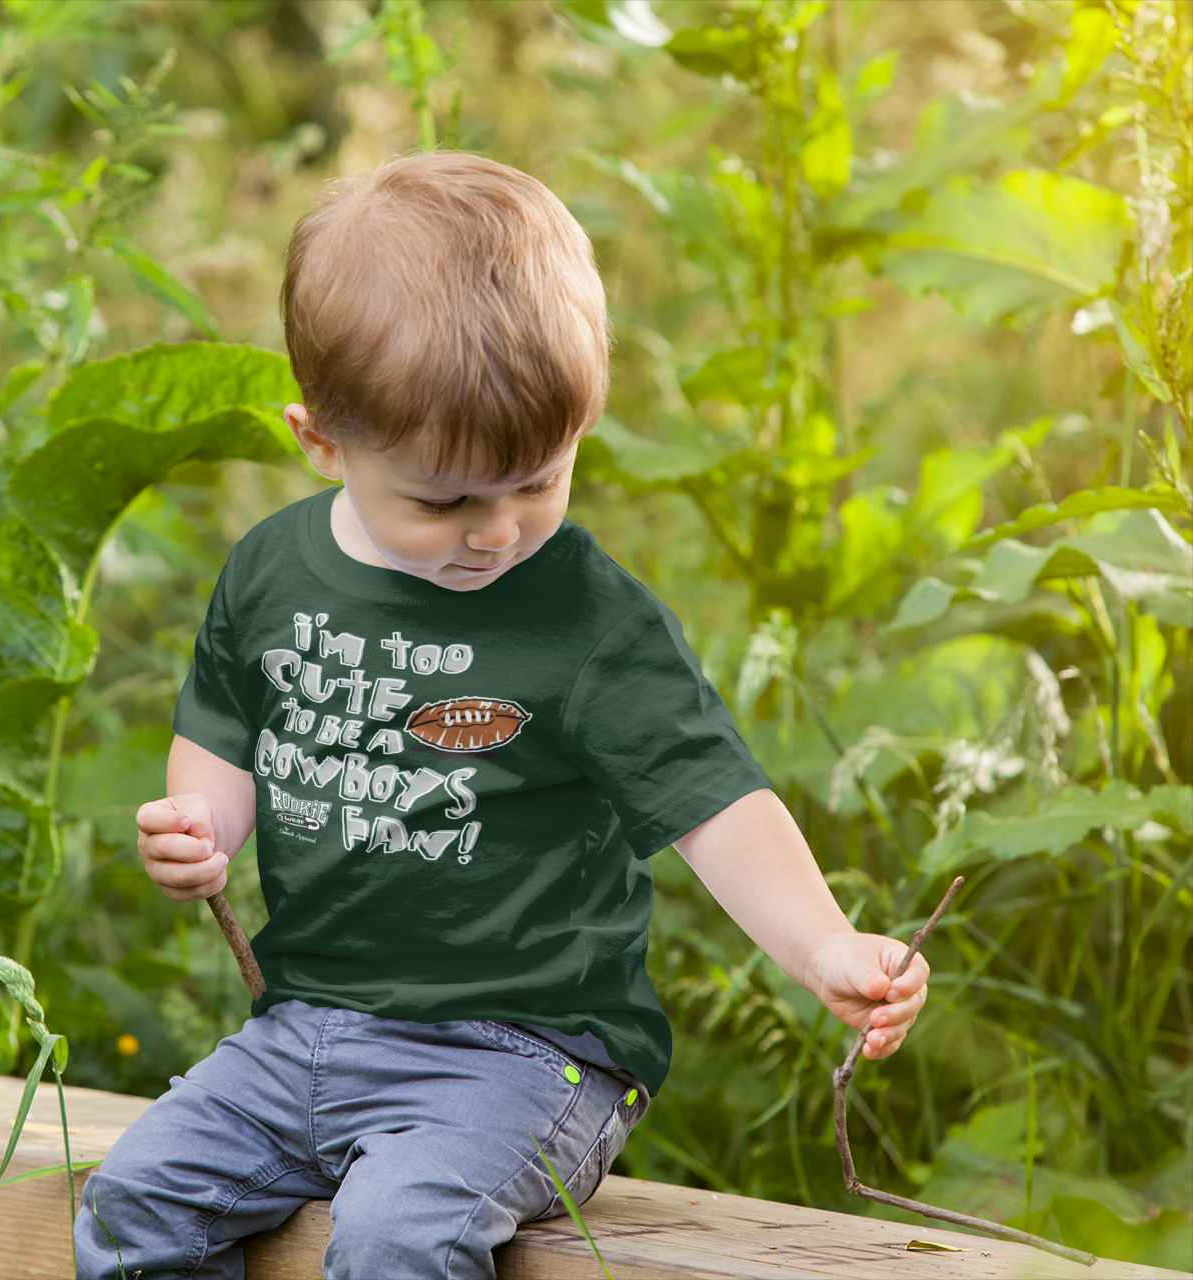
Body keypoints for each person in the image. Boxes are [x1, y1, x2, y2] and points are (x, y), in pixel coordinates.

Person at [71, 151, 929, 1280]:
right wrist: (199, 824)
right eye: (446, 500)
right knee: (137, 1204)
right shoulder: (272, 571)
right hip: (306, 1028)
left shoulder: (587, 620)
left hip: (526, 1053)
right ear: (320, 440)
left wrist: (823, 942)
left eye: (539, 478)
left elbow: (712, 803)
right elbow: (229, 727)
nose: (499, 530)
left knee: (398, 1232)